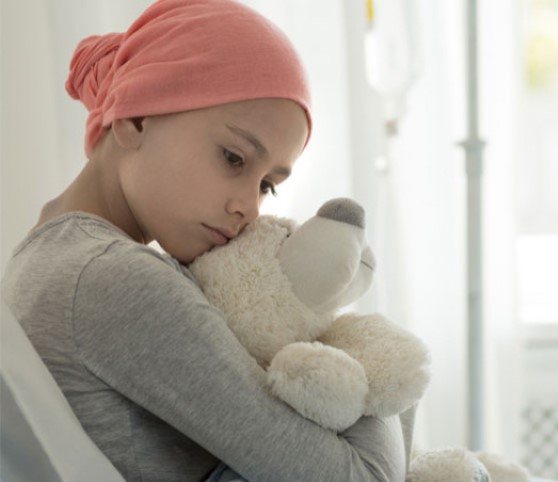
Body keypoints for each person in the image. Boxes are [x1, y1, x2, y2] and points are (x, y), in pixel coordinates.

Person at [0, 0, 414, 481]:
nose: (250, 208)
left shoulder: (47, 257)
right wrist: (370, 356)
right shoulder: (114, 279)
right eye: (234, 158)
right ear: (136, 117)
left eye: (267, 185)